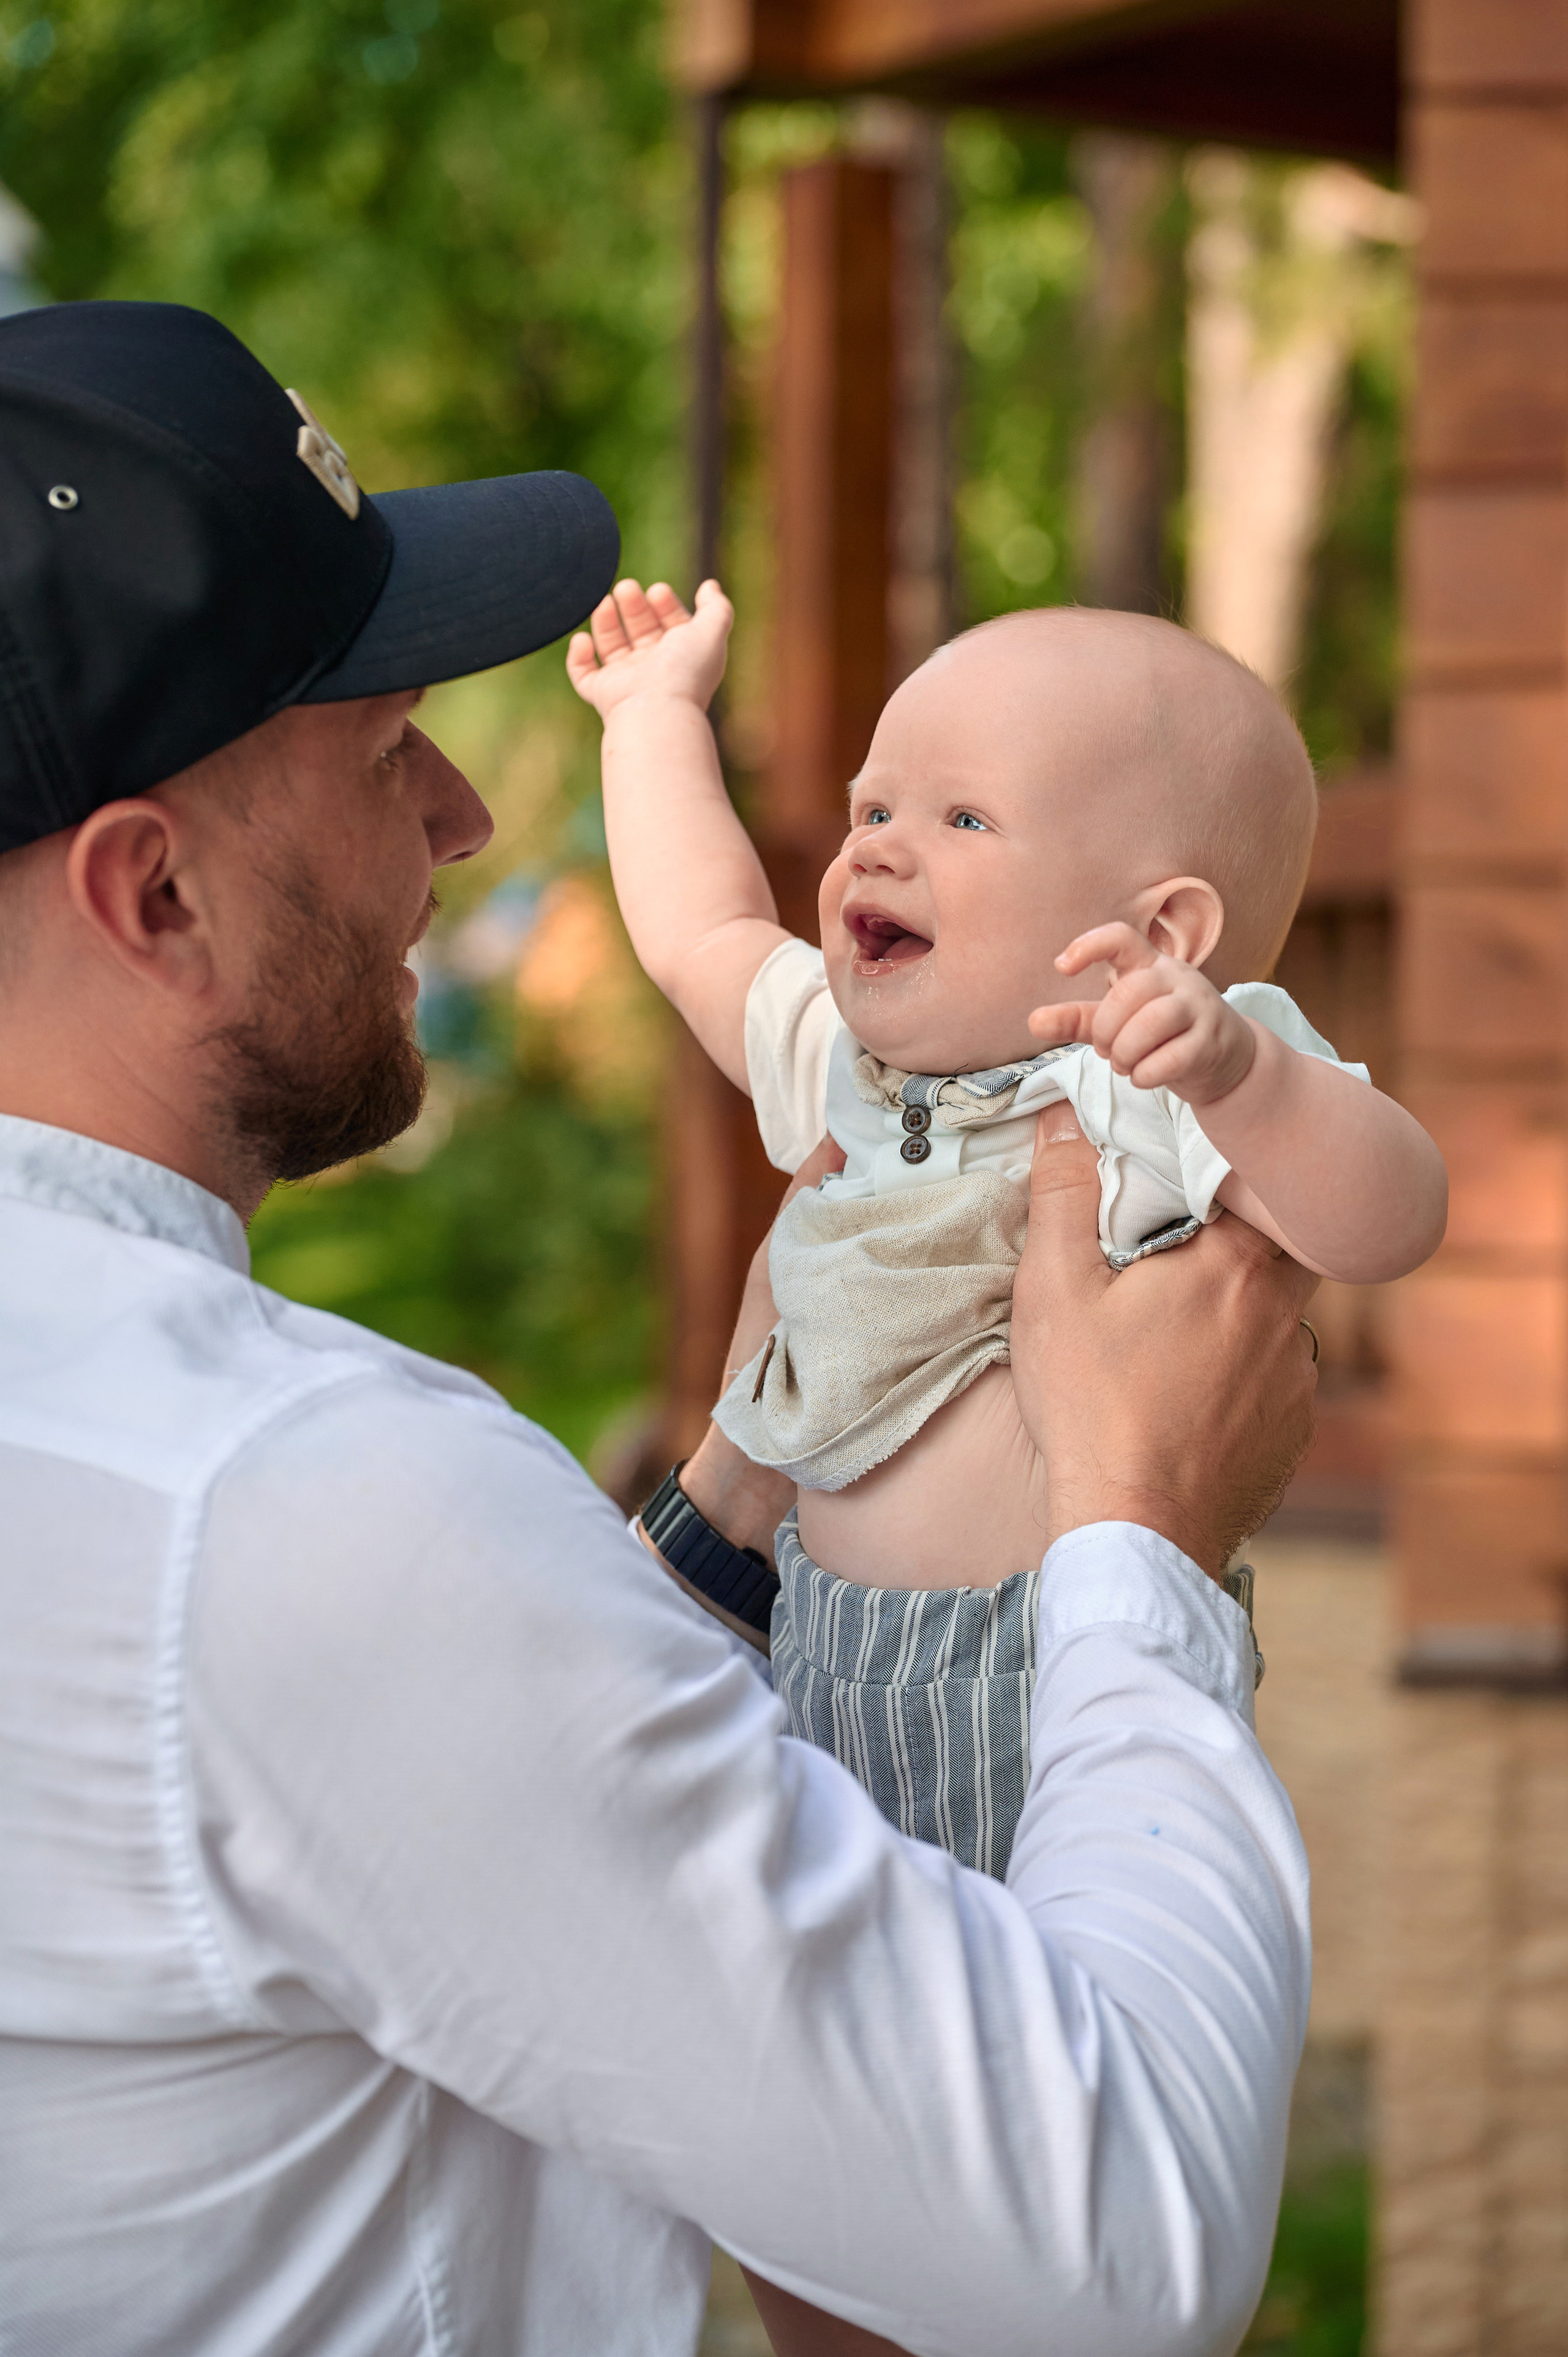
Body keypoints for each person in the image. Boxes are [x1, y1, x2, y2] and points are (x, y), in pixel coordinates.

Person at [0, 298, 1319, 2357]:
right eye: (380, 751)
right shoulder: (303, 1512)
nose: (463, 818)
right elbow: (1111, 2247)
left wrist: (727, 1503)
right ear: (149, 896)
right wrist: (1142, 1526)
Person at [570, 578, 1446, 1878]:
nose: (872, 844)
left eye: (961, 816)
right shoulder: (848, 1066)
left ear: (1156, 935)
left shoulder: (1146, 1079)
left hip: (1049, 1674)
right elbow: (701, 931)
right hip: (816, 1654)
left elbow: (1390, 1218)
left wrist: (1247, 1083)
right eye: (873, 807)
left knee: (1039, 2015)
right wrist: (651, 718)